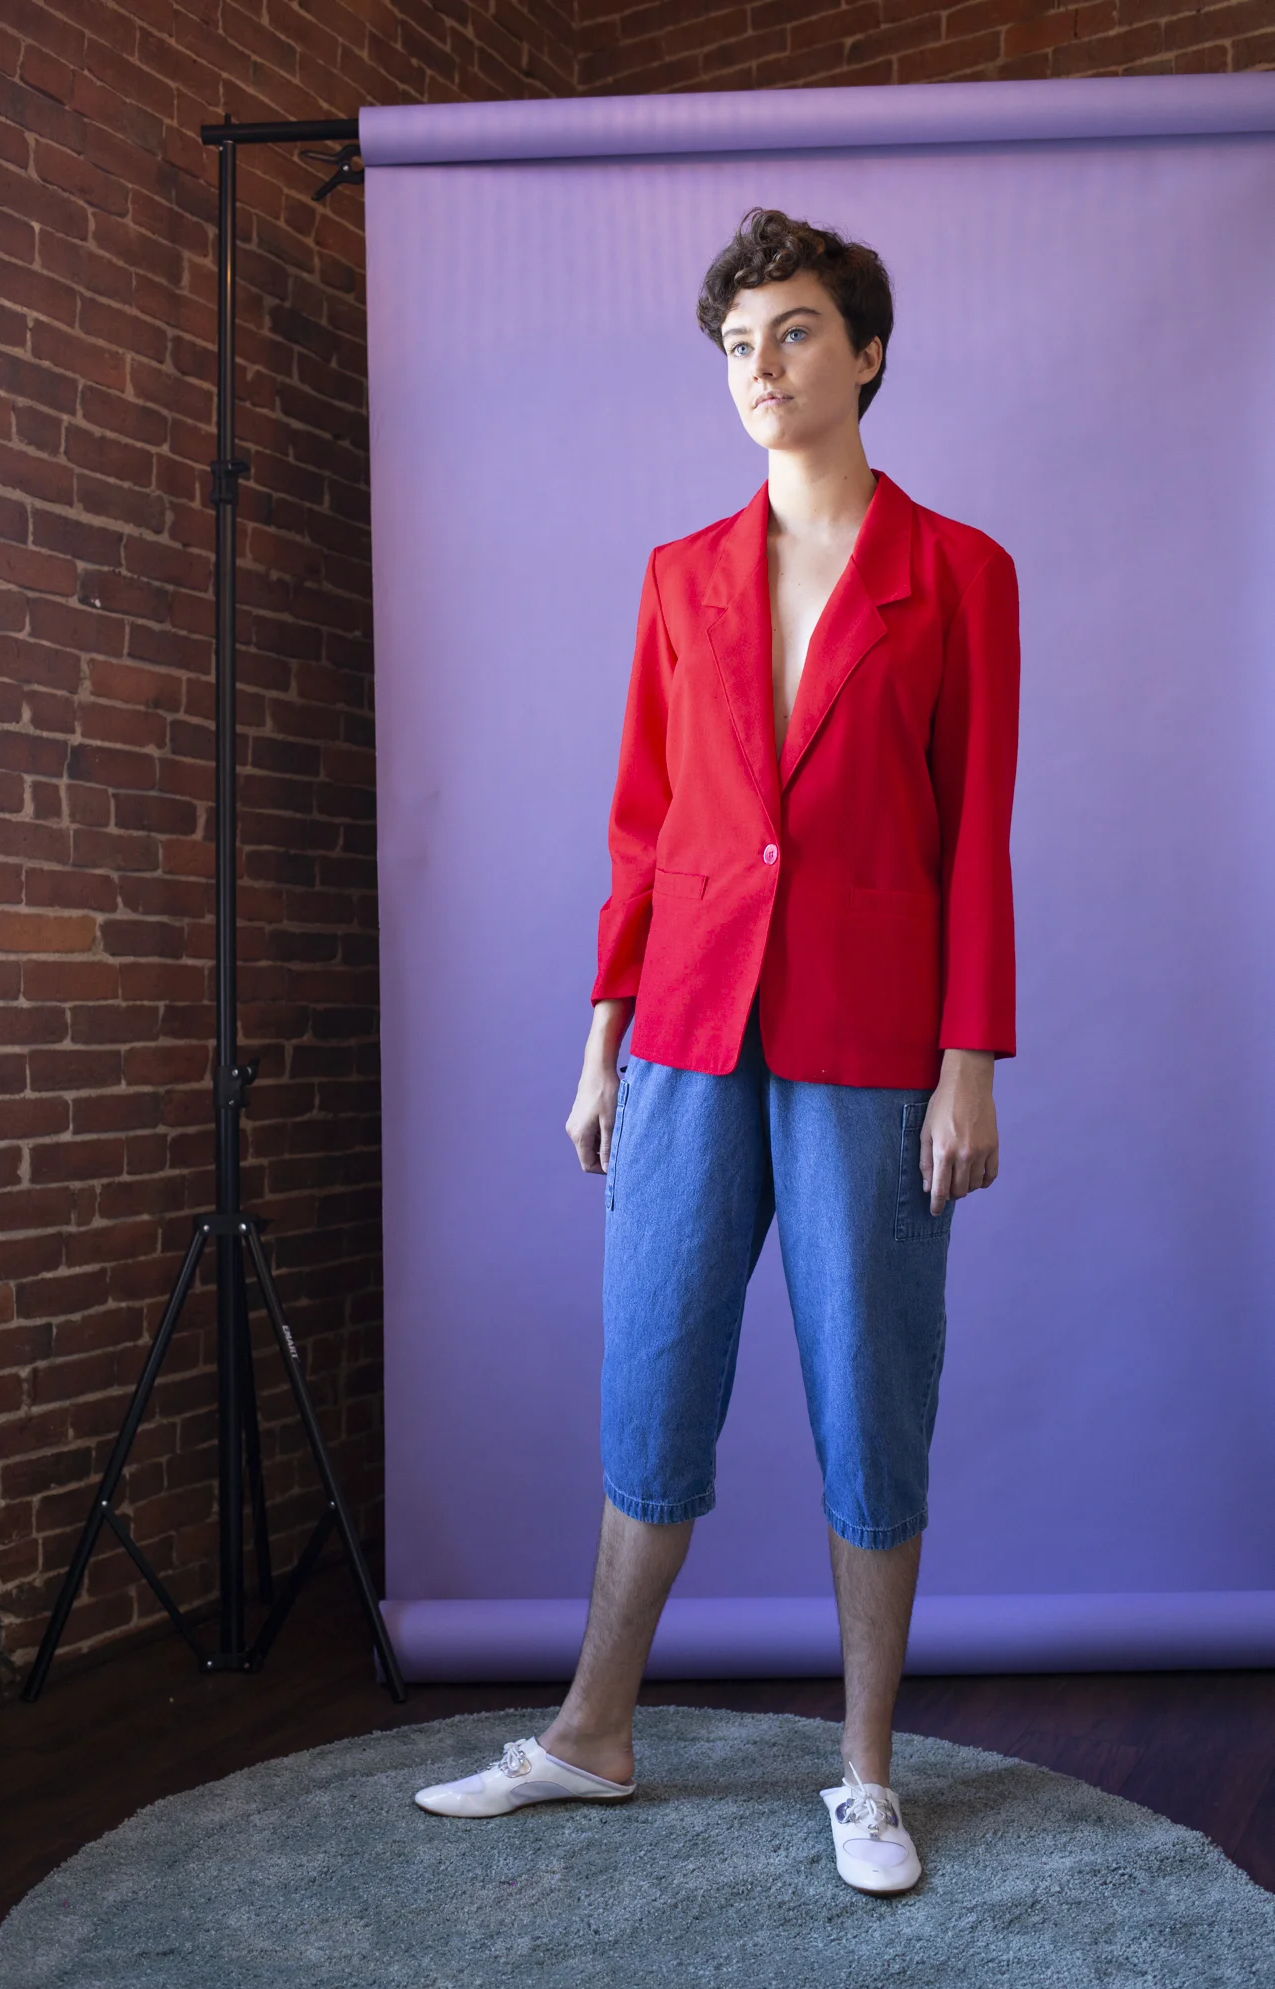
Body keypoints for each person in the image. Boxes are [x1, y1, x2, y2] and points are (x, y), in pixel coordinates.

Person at [415, 208, 1020, 1896]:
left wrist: (971, 1057)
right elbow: (646, 822)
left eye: (797, 331)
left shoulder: (961, 573)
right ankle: (591, 1733)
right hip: (686, 1023)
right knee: (653, 1375)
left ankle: (866, 1776)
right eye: (740, 344)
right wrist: (599, 1038)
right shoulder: (680, 576)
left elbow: (976, 832)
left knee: (870, 1387)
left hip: (871, 1038)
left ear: (868, 351)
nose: (763, 366)